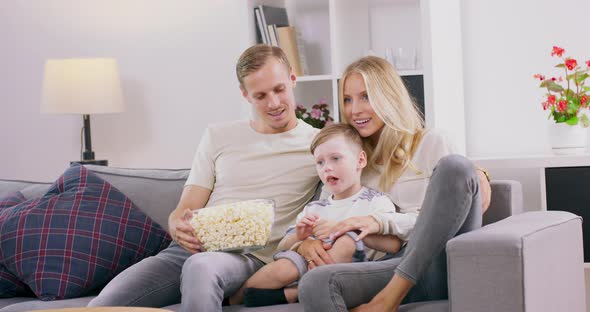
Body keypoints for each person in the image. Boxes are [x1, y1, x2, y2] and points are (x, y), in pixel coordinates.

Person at [87, 44, 322, 312]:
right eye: (260, 95)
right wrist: (176, 223)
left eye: (279, 89)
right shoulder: (218, 136)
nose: (274, 103)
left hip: (249, 257)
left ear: (292, 79)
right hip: (187, 251)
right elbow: (186, 207)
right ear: (245, 95)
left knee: (201, 267)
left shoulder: (318, 144)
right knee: (101, 306)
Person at [295, 56, 492, 312]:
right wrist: (305, 244)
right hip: (386, 264)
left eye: (366, 96)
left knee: (457, 167)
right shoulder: (349, 159)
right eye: (348, 99)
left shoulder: (431, 142)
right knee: (315, 283)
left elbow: (446, 214)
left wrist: (378, 222)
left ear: (388, 96)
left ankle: (389, 299)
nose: (355, 110)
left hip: (434, 264)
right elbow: (323, 213)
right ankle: (390, 293)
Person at [230, 123, 405, 307]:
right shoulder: (315, 208)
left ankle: (295, 293)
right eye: (320, 162)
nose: (327, 168)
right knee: (284, 265)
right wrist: (299, 236)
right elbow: (281, 248)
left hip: (352, 271)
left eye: (335, 158)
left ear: (360, 160)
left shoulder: (376, 201)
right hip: (308, 266)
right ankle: (232, 300)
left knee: (347, 242)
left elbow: (393, 245)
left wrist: (347, 228)